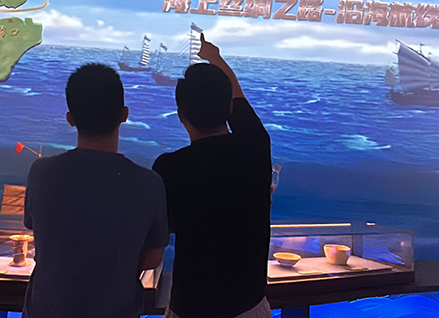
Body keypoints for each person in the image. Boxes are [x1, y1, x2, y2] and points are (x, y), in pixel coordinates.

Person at [23, 63, 168, 318]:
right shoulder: (150, 183)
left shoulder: (41, 172)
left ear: (70, 118)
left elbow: (36, 228)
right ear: (124, 114)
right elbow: (153, 258)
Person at [153, 35, 272, 318]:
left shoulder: (170, 167)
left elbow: (159, 233)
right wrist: (215, 58)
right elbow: (237, 96)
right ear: (228, 109)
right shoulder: (256, 145)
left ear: (181, 116)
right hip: (249, 308)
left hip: (190, 308)